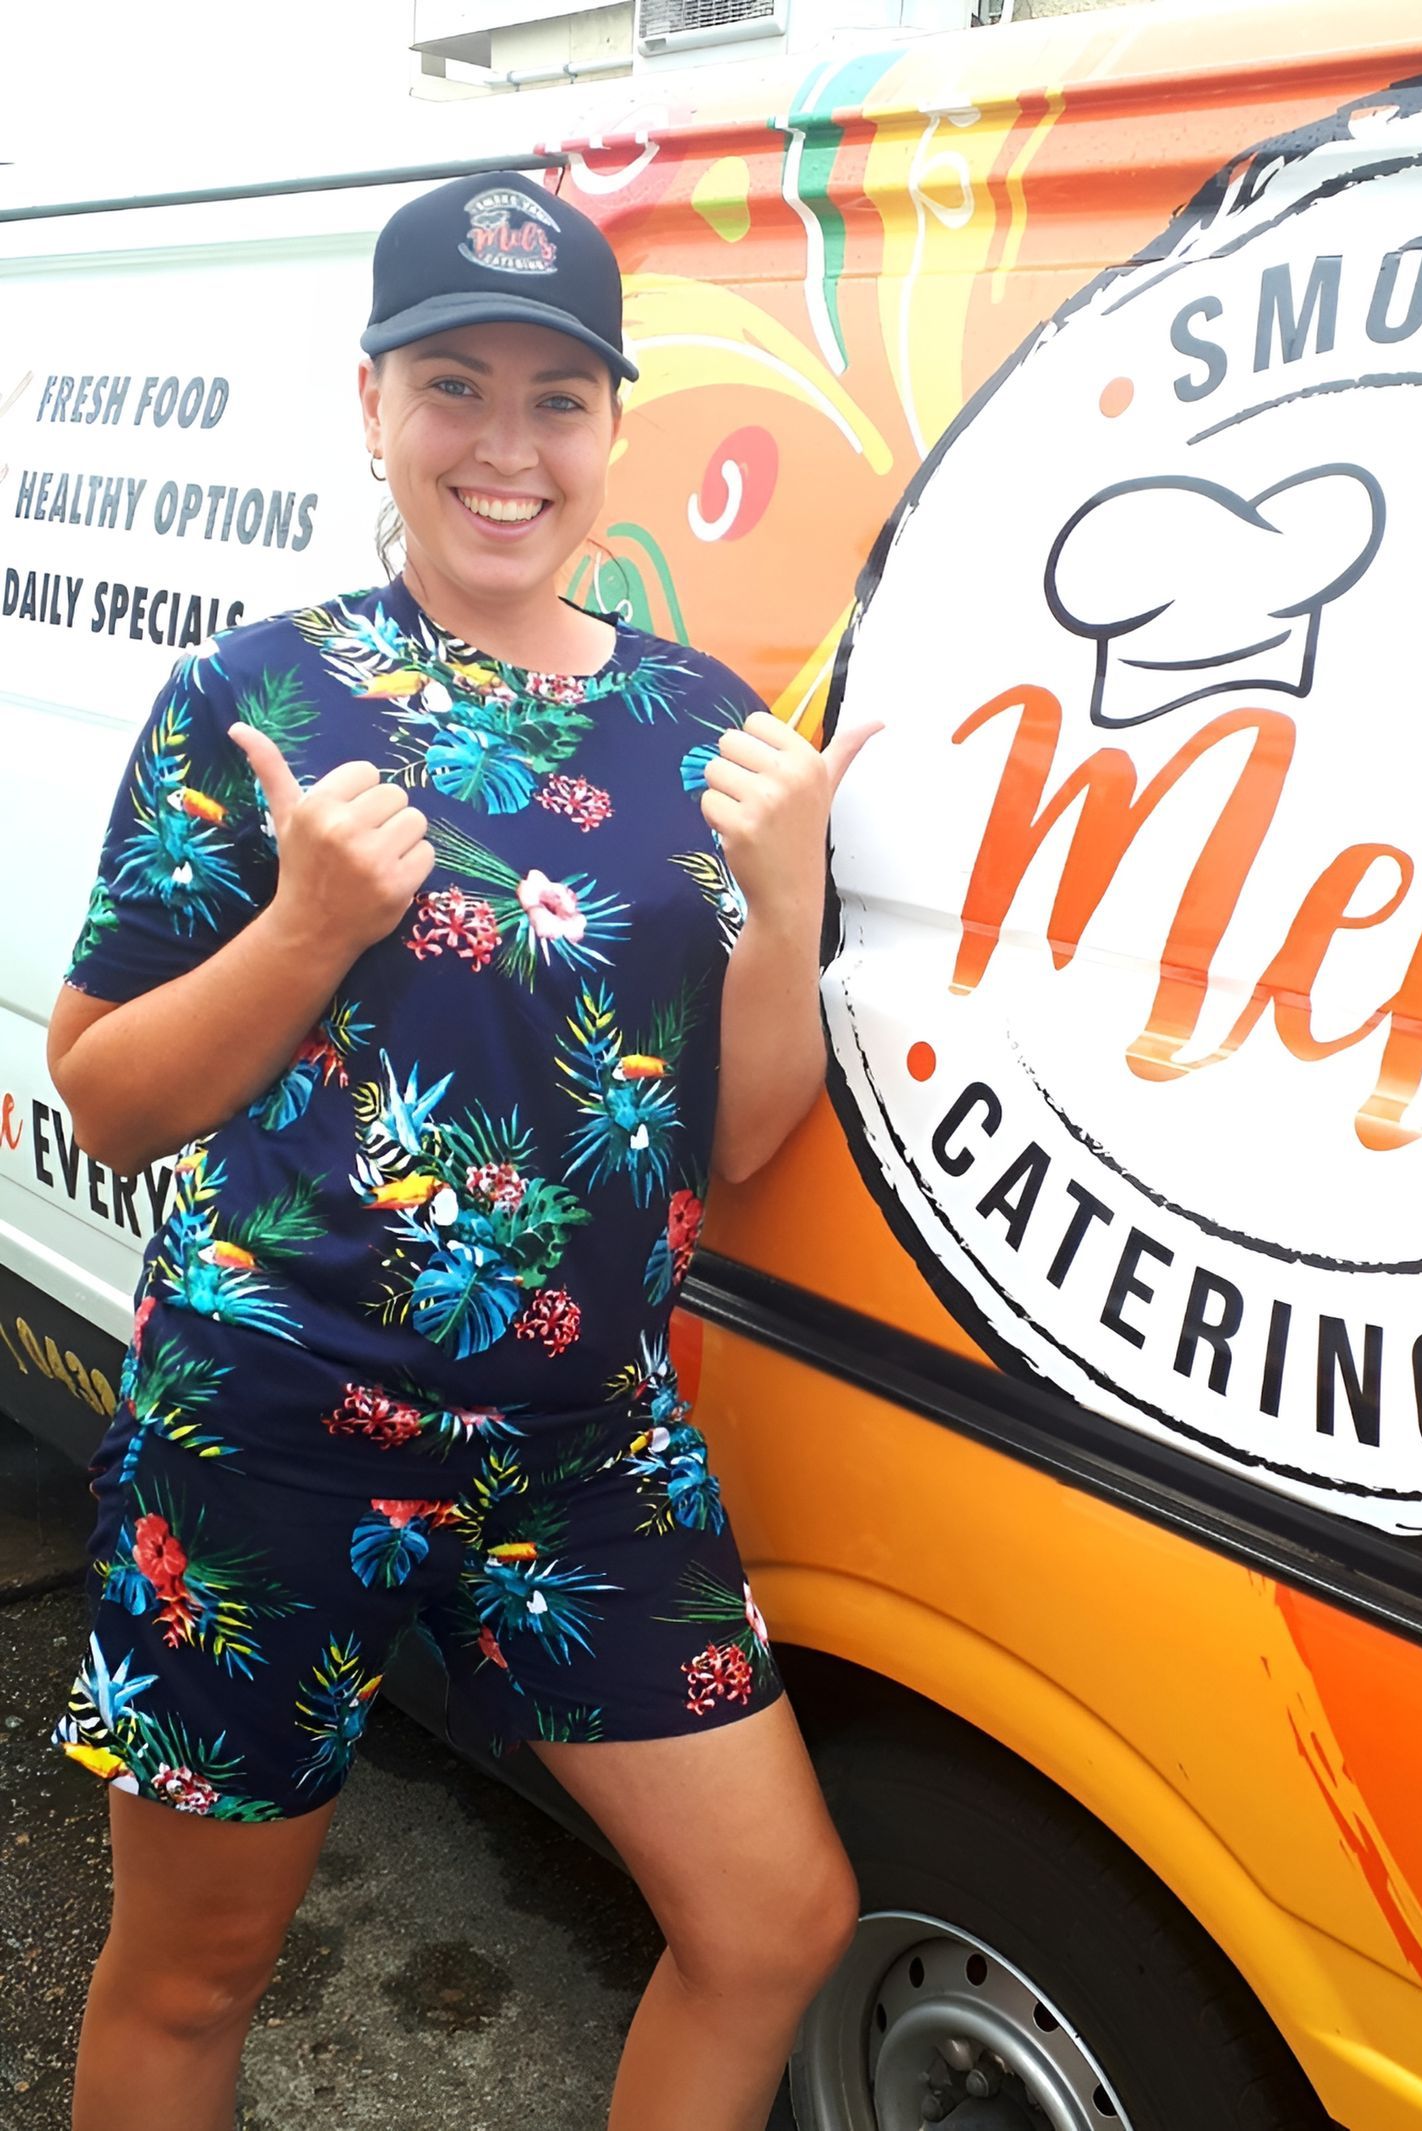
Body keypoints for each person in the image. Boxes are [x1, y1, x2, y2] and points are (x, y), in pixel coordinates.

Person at [46, 170, 877, 2131]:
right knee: (191, 1973)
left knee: (773, 1920)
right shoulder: (250, 701)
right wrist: (309, 924)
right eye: (453, 387)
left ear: (612, 426)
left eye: (555, 398)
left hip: (584, 1445)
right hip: (268, 1433)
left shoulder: (704, 727)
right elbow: (111, 1094)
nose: (506, 449)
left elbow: (743, 1134)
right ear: (370, 402)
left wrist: (791, 885)